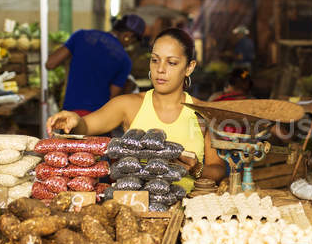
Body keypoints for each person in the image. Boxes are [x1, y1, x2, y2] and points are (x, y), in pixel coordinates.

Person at [46, 28, 226, 184]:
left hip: (189, 214)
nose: (160, 69)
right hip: (137, 210)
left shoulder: (203, 112)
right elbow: (87, 125)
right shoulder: (129, 105)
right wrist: (74, 120)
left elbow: (218, 170)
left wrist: (196, 168)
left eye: (171, 63)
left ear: (189, 67)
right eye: (155, 60)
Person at [46, 14, 146, 117]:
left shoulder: (81, 35)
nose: (129, 45)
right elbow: (112, 99)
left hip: (70, 115)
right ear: (127, 36)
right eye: (133, 42)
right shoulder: (125, 60)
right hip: (97, 119)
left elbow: (50, 63)